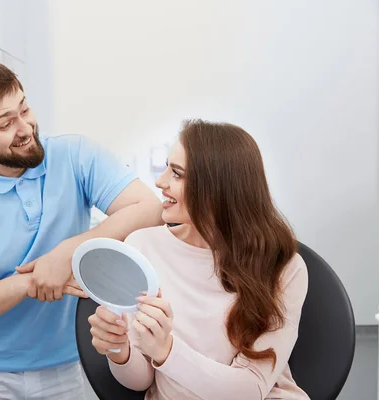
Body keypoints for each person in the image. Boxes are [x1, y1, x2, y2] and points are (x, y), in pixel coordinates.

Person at [0, 60, 164, 400]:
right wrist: (29, 282)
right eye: (5, 123)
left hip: (63, 368)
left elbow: (150, 209)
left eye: (24, 108)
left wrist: (68, 253)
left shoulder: (75, 154)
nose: (25, 127)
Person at [88, 119, 310, 399]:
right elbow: (140, 382)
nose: (160, 181)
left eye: (177, 174)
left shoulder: (283, 267)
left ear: (215, 189)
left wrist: (167, 351)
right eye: (167, 167)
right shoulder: (142, 246)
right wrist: (118, 348)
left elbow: (250, 390)